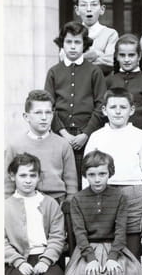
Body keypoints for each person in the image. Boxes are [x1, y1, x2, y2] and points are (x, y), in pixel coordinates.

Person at [84, 88, 142, 257]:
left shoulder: (140, 136)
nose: (118, 111)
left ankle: (133, 274)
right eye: (113, 107)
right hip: (102, 194)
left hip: (133, 196)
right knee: (106, 247)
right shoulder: (96, 136)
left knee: (132, 248)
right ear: (104, 110)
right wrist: (89, 200)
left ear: (132, 110)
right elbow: (87, 172)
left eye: (123, 107)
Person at [45, 20, 106, 187]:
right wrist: (63, 133)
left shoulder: (94, 71)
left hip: (87, 135)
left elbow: (101, 105)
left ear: (84, 44)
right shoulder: (54, 72)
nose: (73, 47)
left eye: (77, 42)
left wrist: (85, 134)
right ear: (62, 43)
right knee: (62, 179)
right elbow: (48, 107)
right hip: (60, 135)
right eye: (68, 42)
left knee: (85, 180)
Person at [4, 90, 78, 201]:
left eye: (48, 112)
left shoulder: (63, 145)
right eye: (38, 112)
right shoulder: (15, 145)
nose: (44, 117)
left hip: (57, 200)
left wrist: (67, 204)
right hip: (24, 200)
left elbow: (71, 184)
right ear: (26, 117)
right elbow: (8, 184)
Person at [61, 0, 118, 76]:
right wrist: (98, 55)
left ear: (102, 9)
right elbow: (64, 59)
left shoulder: (110, 34)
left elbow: (111, 62)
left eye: (94, 4)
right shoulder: (70, 33)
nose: (88, 9)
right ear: (77, 10)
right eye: (83, 5)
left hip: (102, 81)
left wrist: (92, 55)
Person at [106, 34, 142, 132]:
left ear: (139, 56)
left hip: (139, 133)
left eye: (131, 55)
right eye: (122, 55)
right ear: (116, 56)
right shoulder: (109, 81)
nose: (126, 59)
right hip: (113, 133)